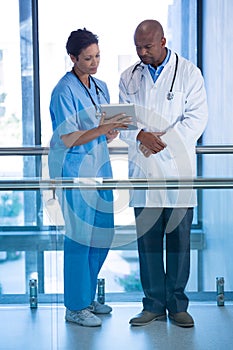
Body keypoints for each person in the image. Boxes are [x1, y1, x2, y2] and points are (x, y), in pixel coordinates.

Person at [119, 19, 208, 327]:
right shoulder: (128, 76)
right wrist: (140, 134)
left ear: (163, 41)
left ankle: (178, 305)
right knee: (148, 244)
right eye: (137, 48)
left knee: (180, 244)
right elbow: (123, 120)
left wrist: (163, 141)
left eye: (147, 46)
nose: (142, 53)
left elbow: (197, 118)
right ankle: (153, 304)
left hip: (177, 169)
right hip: (143, 171)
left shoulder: (189, 73)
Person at [48, 28, 131, 327]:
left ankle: (87, 296)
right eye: (87, 58)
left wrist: (111, 132)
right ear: (72, 58)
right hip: (75, 174)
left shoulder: (101, 87)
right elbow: (68, 138)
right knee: (79, 240)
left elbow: (100, 136)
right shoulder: (63, 91)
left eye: (97, 56)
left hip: (101, 172)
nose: (94, 63)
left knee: (102, 236)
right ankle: (75, 306)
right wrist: (98, 131)